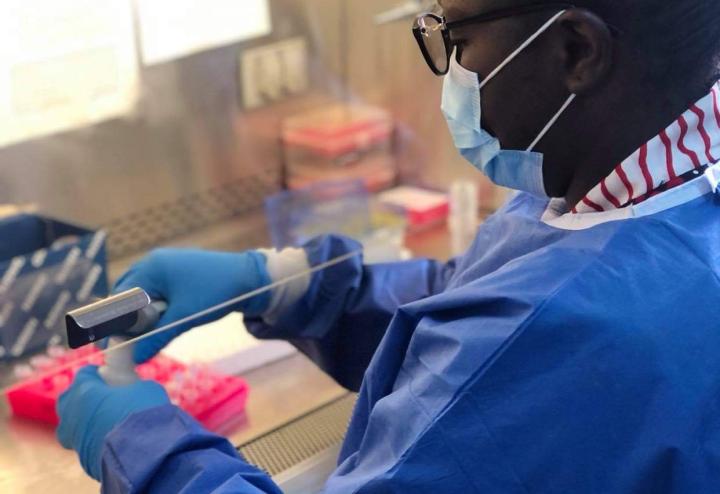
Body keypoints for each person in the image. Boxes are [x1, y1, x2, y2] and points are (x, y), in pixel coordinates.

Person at [58, 0, 720, 492]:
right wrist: (293, 282)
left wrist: (142, 448)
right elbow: (475, 310)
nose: (454, 74)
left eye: (457, 39)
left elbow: (509, 350)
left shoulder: (574, 329)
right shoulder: (655, 180)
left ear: (577, 52)